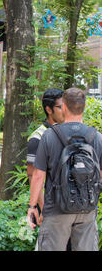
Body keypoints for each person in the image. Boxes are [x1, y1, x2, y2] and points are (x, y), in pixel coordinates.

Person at [28, 88, 102, 251]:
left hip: (56, 209)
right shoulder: (96, 137)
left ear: (65, 107)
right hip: (87, 209)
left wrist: (32, 206)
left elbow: (38, 175)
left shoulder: (49, 136)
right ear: (83, 107)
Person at [26, 89, 64, 227]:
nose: (64, 110)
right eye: (60, 107)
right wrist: (43, 209)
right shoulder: (37, 138)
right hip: (51, 209)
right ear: (49, 109)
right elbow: (33, 176)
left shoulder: (69, 132)